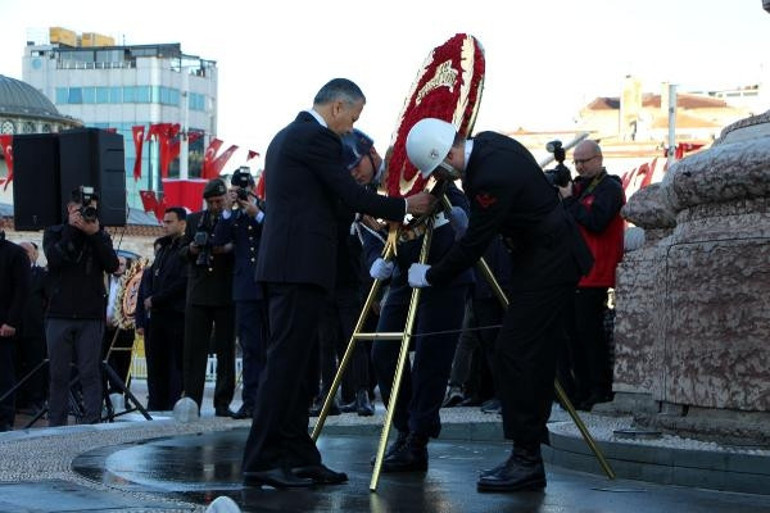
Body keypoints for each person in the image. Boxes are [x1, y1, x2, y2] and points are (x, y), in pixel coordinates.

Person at [241, 78, 434, 489]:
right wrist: (403, 205)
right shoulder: (316, 139)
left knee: (303, 368)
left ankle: (298, 455)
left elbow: (332, 202)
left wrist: (372, 212)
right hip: (298, 268)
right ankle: (262, 460)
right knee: (286, 367)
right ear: (337, 108)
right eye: (353, 118)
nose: (351, 129)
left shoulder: (290, 137)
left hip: (296, 267)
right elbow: (349, 192)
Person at [405, 118, 592, 493]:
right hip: (541, 259)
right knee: (528, 355)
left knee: (514, 353)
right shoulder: (488, 145)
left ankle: (526, 459)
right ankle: (527, 455)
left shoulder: (487, 177)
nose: (445, 178)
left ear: (447, 156)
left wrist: (432, 275)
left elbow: (475, 242)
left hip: (549, 262)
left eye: (440, 169)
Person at [557, 140, 625, 411]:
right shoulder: (578, 188)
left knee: (590, 335)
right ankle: (580, 390)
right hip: (575, 273)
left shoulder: (610, 188)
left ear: (599, 159)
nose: (580, 166)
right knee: (573, 335)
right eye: (577, 162)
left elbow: (596, 221)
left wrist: (570, 200)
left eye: (585, 161)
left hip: (596, 272)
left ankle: (599, 389)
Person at [43, 188, 120, 426]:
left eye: (91, 210)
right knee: (58, 374)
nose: (87, 214)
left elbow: (112, 265)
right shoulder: (54, 232)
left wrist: (94, 234)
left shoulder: (100, 234)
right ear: (70, 209)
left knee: (89, 372)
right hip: (59, 312)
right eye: (82, 209)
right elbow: (56, 259)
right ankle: (56, 423)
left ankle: (91, 421)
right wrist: (73, 231)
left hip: (90, 315)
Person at [213, 169, 266, 420]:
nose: (242, 193)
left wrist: (255, 212)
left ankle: (271, 400)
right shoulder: (232, 217)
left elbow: (274, 233)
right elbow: (219, 241)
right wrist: (226, 208)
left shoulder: (265, 209)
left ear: (254, 187)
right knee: (250, 347)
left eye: (245, 188)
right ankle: (251, 401)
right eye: (238, 188)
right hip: (245, 288)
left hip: (267, 285)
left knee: (270, 345)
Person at [180, 180, 237, 417]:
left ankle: (222, 402)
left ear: (225, 198)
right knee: (194, 350)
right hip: (199, 293)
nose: (215, 205)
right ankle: (192, 400)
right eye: (211, 202)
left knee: (225, 351)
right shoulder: (194, 221)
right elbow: (182, 252)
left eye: (218, 201)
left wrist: (226, 249)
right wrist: (193, 249)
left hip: (225, 293)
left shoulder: (233, 218)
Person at [144, 207, 189, 410]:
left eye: (170, 222)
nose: (165, 225)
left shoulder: (185, 248)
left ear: (182, 223)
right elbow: (154, 277)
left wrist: (157, 299)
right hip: (157, 316)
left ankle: (172, 405)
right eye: (164, 221)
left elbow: (182, 282)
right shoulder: (163, 249)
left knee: (174, 364)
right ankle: (156, 404)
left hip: (175, 314)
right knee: (156, 363)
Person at [0, 231, 30, 431]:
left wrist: (11, 321)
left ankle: (3, 419)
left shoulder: (15, 253)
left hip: (3, 326)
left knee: (3, 374)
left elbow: (22, 290)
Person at [16, 241, 48, 415]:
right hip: (14, 329)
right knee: (15, 366)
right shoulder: (12, 273)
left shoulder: (42, 275)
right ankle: (17, 400)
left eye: (27, 251)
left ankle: (36, 401)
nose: (23, 254)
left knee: (35, 367)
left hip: (36, 329)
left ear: (35, 254)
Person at [103, 256, 135, 394]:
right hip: (104, 329)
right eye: (116, 263)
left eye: (121, 264)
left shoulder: (131, 284)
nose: (118, 266)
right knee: (104, 361)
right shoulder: (104, 280)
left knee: (122, 363)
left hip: (124, 330)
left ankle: (120, 394)